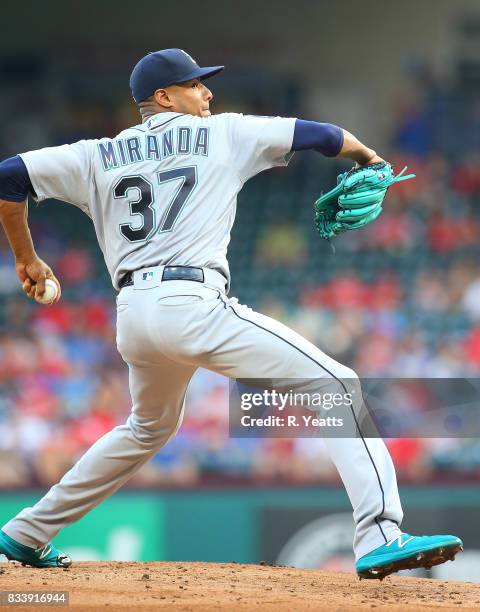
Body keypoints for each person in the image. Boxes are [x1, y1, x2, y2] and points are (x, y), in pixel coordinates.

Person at [0, 48, 462, 579]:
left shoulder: (94, 154)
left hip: (133, 315)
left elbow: (8, 177)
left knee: (147, 427)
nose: (208, 94)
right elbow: (324, 136)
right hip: (192, 303)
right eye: (196, 85)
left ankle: (27, 532)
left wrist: (27, 258)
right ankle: (381, 533)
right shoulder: (224, 132)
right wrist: (371, 160)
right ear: (164, 96)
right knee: (336, 385)